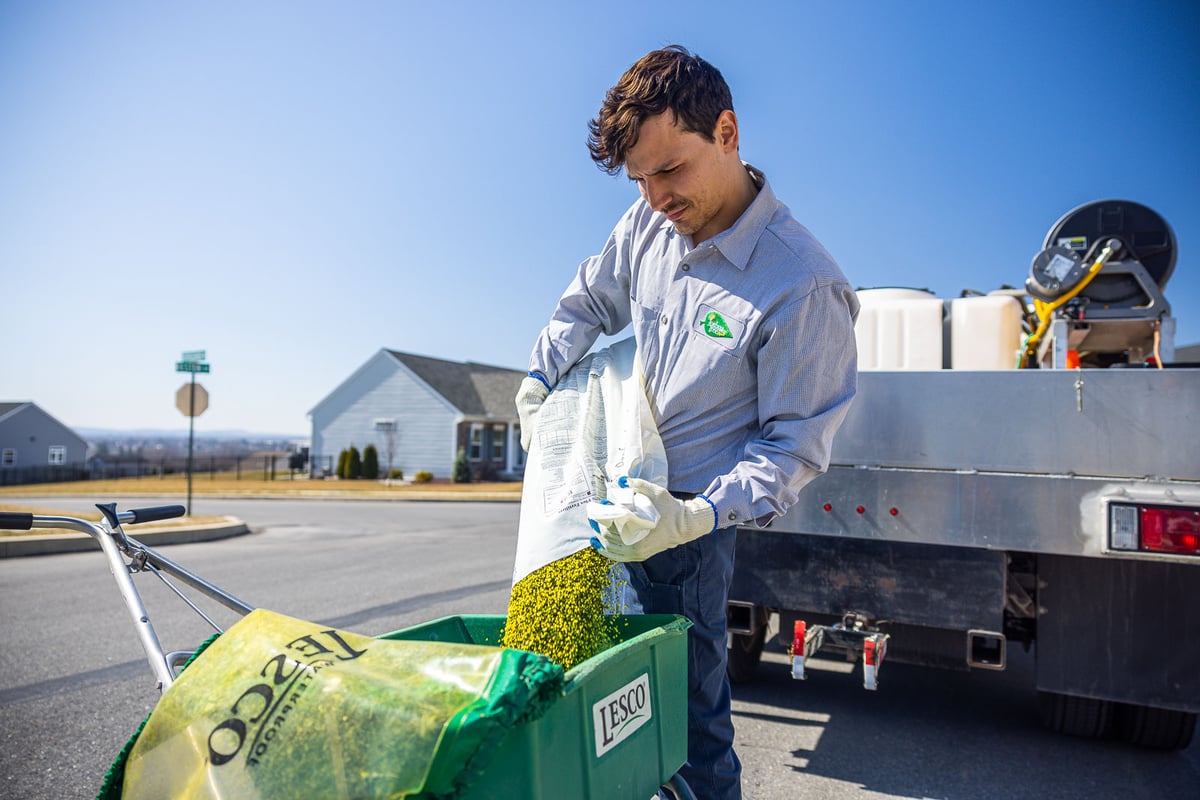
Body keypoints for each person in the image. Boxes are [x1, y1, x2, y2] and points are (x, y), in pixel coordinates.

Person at [515, 45, 859, 800]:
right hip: (594, 508)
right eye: (639, 179)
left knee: (689, 731)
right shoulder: (649, 223)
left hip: (683, 543)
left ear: (727, 132)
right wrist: (541, 375)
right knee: (604, 716)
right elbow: (586, 304)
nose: (654, 196)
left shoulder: (801, 285)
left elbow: (793, 447)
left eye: (669, 170)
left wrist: (691, 515)